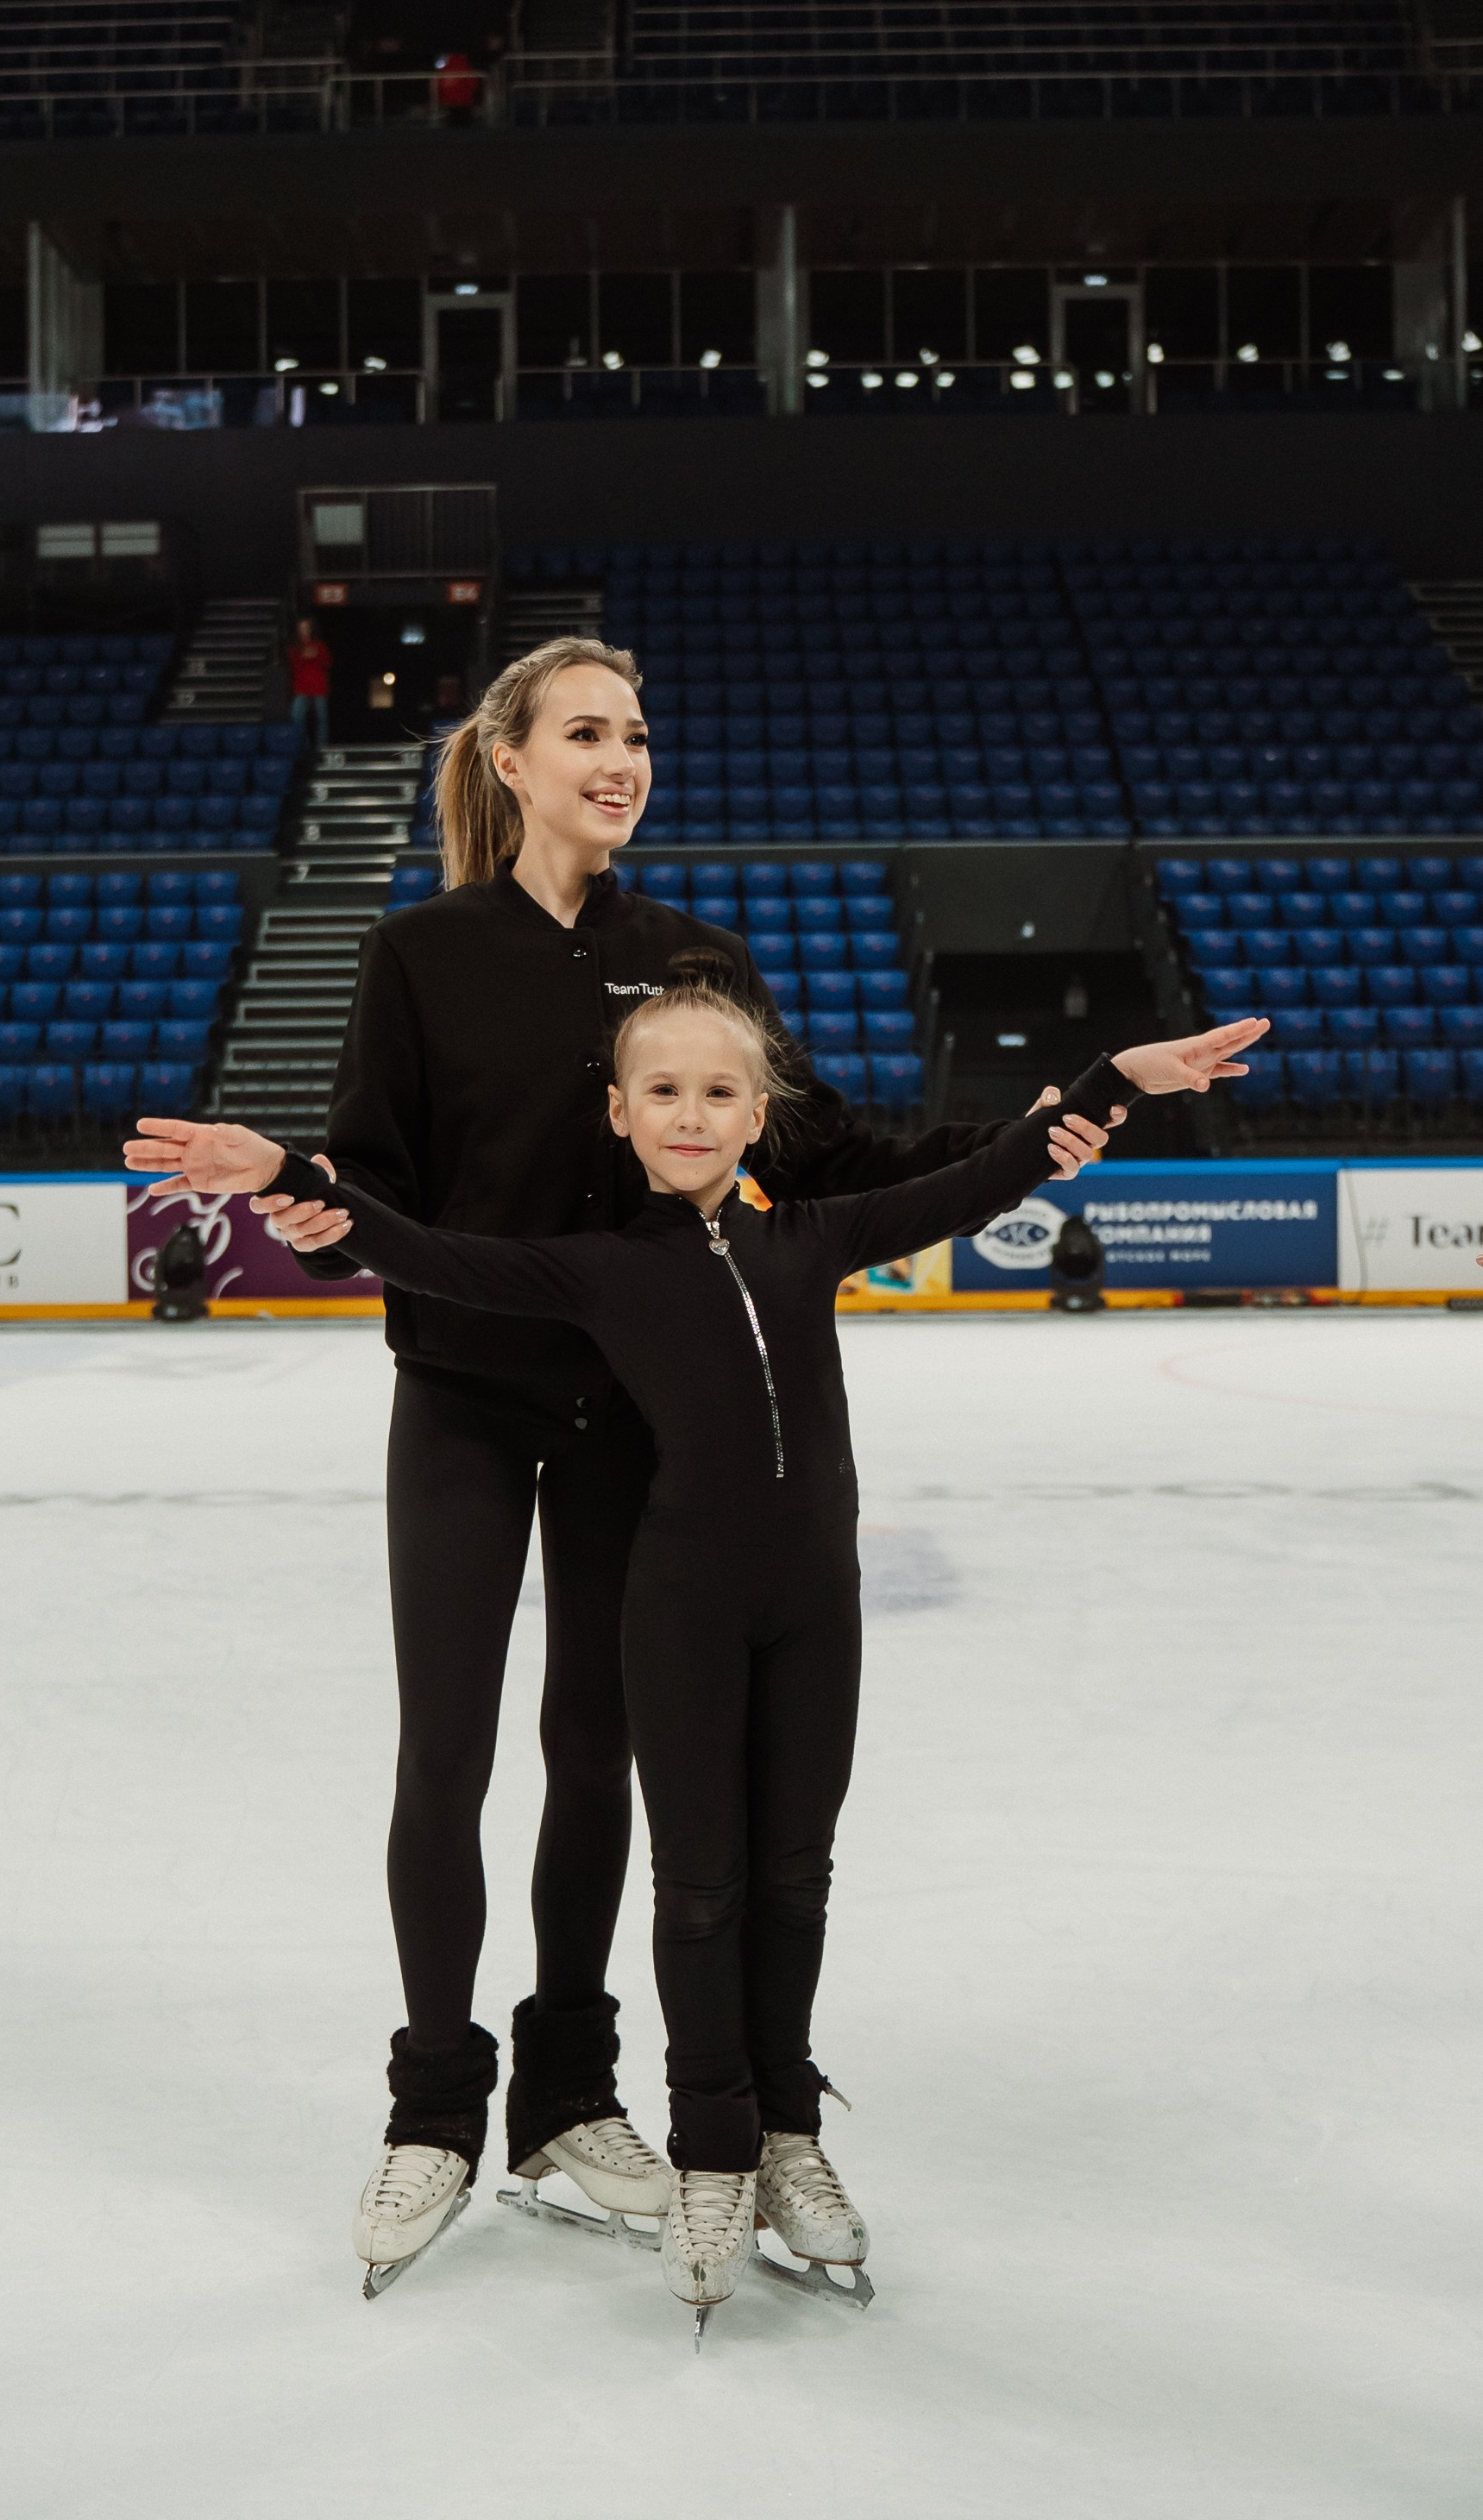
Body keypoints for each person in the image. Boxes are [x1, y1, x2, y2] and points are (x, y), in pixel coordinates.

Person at [120, 634, 1125, 2291]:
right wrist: (298, 1180)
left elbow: (827, 1155)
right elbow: (369, 1175)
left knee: (597, 1756)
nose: (623, 759)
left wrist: (1029, 1132)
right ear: (507, 759)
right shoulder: (421, 952)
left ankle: (570, 2094)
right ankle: (436, 2108)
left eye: (640, 736)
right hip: (459, 1398)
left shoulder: (691, 958)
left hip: (625, 1424)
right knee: (444, 1757)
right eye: (588, 732)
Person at [130, 968, 1266, 2320]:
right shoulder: (597, 1271)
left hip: (814, 1613)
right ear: (617, 1114)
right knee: (704, 1887)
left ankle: (788, 2134)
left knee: (797, 1879)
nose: (688, 1113)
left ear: (758, 1112)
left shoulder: (816, 1234)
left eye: (718, 1091)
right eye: (661, 1092)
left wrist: (1115, 1084)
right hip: (677, 1612)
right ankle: (713, 2145)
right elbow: (432, 1250)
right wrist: (291, 1173)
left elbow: (982, 1178)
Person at [287, 617, 331, 749]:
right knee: (296, 718)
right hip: (301, 688)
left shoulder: (320, 646)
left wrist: (315, 656)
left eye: (306, 628)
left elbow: (328, 663)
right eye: (301, 628)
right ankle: (303, 746)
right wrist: (304, 657)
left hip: (318, 687)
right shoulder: (294, 648)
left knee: (322, 719)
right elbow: (293, 666)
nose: (304, 631)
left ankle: (321, 747)